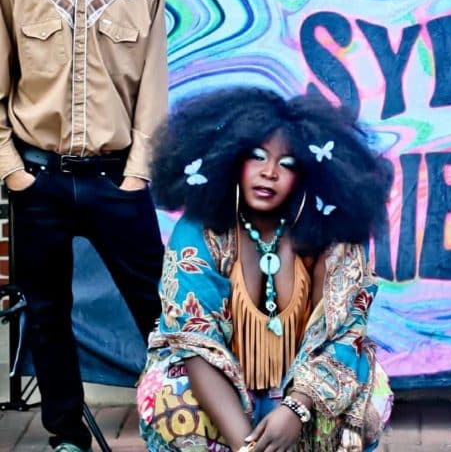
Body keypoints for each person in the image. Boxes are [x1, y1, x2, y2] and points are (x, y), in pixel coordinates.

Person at [0, 0, 168, 450]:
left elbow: (153, 89)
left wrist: (138, 174)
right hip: (38, 177)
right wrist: (12, 172)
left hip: (115, 178)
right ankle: (66, 434)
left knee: (160, 309)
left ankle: (186, 420)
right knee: (47, 312)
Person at [136, 87, 394, 452]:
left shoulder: (334, 235)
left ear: (308, 175)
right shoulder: (200, 231)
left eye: (287, 164)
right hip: (222, 394)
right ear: (231, 160)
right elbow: (195, 343)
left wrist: (297, 407)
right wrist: (245, 446)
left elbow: (342, 334)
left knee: (370, 395)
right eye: (257, 157)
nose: (269, 173)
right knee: (171, 394)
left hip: (301, 395)